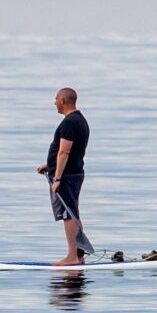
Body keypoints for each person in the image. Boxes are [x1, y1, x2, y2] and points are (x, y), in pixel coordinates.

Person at [37, 87, 93, 266]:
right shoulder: (80, 120)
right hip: (73, 173)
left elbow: (64, 152)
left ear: (62, 101)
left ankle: (72, 257)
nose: (54, 103)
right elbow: (71, 152)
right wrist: (49, 166)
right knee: (73, 212)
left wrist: (58, 178)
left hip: (66, 176)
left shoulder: (69, 123)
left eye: (55, 99)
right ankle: (79, 255)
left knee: (67, 214)